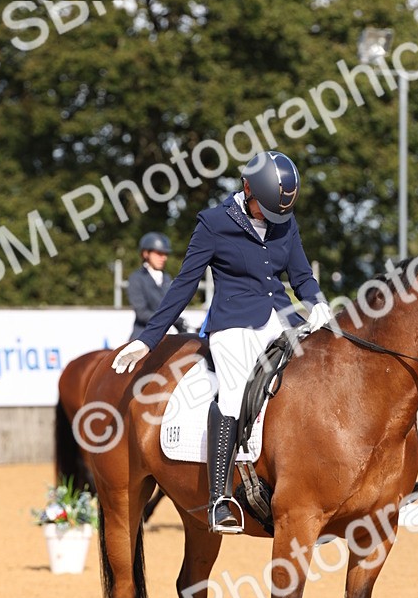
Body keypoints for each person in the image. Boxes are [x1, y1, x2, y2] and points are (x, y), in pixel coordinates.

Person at [113, 151, 332, 534]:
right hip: (233, 323)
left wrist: (318, 305)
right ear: (247, 188)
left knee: (325, 370)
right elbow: (183, 285)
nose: (272, 219)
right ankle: (219, 498)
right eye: (265, 210)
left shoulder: (284, 218)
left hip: (281, 317)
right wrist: (149, 340)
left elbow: (301, 276)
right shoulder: (213, 224)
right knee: (232, 393)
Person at [127, 233, 189, 341]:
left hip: (167, 333)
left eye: (165, 254)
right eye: (159, 254)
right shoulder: (136, 278)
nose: (164, 258)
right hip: (143, 333)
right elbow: (142, 313)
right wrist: (169, 319)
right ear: (146, 254)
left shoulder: (166, 277)